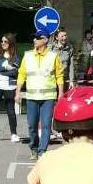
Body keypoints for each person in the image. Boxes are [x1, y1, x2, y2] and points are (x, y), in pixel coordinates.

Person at [15, 30, 64, 160]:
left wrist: (61, 93)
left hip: (48, 98)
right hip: (32, 97)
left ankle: (42, 151)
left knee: (46, 125)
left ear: (46, 40)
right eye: (34, 37)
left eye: (38, 38)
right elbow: (21, 74)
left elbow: (59, 75)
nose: (34, 40)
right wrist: (18, 91)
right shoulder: (28, 55)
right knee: (32, 125)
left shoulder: (53, 56)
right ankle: (34, 147)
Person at [49, 27, 76, 91]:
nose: (64, 38)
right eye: (62, 36)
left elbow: (71, 65)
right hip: (52, 79)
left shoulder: (70, 48)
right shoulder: (51, 48)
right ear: (57, 37)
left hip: (64, 79)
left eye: (65, 35)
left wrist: (71, 80)